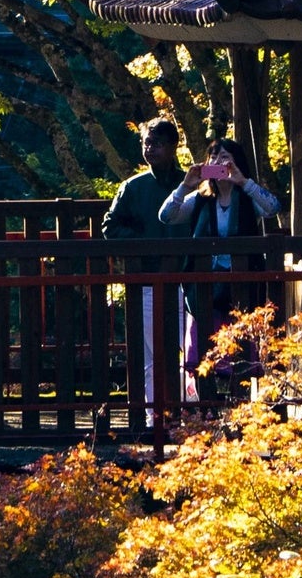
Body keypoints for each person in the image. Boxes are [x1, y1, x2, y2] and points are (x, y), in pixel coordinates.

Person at [174, 136, 281, 401]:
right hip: (204, 284)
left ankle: (241, 404)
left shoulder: (246, 199)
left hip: (241, 282)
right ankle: (205, 405)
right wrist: (186, 185)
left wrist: (242, 181)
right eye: (214, 158)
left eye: (225, 158)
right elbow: (167, 215)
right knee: (203, 344)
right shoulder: (200, 199)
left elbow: (272, 208)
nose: (219, 164)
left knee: (241, 344)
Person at [104, 119, 191, 412]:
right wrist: (144, 240)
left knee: (191, 349)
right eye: (146, 143)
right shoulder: (132, 187)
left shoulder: (190, 184)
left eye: (157, 143)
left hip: (187, 279)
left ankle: (191, 410)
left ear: (172, 146)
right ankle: (157, 415)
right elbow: (110, 227)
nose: (150, 149)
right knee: (153, 353)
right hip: (146, 279)